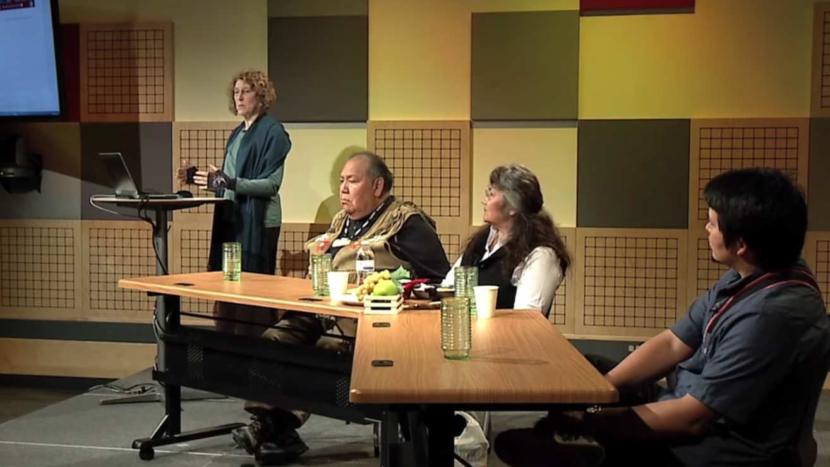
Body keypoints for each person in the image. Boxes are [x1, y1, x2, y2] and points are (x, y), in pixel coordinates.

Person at [494, 168, 830, 467]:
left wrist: (587, 420)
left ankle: (596, 453)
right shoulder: (753, 270)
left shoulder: (771, 315)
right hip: (685, 400)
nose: (706, 229)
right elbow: (672, 343)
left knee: (529, 444)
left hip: (714, 448)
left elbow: (692, 419)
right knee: (587, 370)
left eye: (712, 223)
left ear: (741, 243)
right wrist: (599, 392)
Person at [231, 151, 451, 465]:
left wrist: (398, 290)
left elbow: (441, 279)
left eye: (352, 181)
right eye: (341, 181)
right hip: (324, 308)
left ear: (377, 186)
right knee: (276, 338)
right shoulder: (341, 222)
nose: (343, 189)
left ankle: (270, 428)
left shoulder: (406, 222)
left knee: (326, 349)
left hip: (371, 321)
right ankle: (275, 429)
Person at [182, 69, 291, 335]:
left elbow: (270, 185)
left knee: (252, 289)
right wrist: (198, 178)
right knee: (229, 284)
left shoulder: (273, 132)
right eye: (236, 92)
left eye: (246, 91)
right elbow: (228, 182)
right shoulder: (237, 134)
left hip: (259, 221)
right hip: (232, 217)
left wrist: (229, 182)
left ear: (261, 95)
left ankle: (254, 344)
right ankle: (230, 340)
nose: (239, 97)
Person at [443, 164, 571, 317]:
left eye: (491, 195)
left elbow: (526, 318)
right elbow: (448, 286)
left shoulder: (541, 254)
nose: (484, 201)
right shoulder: (482, 241)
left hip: (507, 333)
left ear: (513, 208)